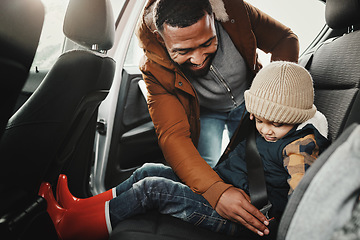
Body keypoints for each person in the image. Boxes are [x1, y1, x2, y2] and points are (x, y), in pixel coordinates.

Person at [39, 61, 329, 240]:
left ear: (298, 117)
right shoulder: (269, 131)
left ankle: (73, 228)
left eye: (277, 124)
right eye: (260, 119)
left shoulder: (301, 146)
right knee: (149, 170)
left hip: (246, 219)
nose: (266, 129)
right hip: (225, 191)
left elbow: (303, 200)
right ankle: (80, 207)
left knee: (153, 188)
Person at [135, 0, 299, 225]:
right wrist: (216, 191)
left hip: (251, 101)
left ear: (214, 15)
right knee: (206, 173)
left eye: (208, 42)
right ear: (160, 37)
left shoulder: (235, 11)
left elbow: (285, 39)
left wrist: (271, 99)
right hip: (206, 111)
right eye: (183, 51)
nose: (198, 58)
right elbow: (172, 136)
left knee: (257, 161)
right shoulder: (153, 64)